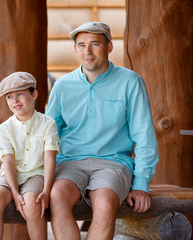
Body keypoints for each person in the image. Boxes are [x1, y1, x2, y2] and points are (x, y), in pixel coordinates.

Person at [45, 22, 159, 240]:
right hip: (70, 162)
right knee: (57, 195)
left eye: (94, 44)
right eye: (81, 45)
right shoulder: (63, 86)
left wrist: (141, 184)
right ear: (75, 49)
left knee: (105, 204)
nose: (87, 52)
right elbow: (47, 135)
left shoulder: (130, 82)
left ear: (108, 47)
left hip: (113, 163)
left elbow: (144, 136)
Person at [0, 72, 60, 240]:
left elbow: (49, 160)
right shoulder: (5, 128)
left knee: (32, 203)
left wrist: (46, 191)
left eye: (20, 94)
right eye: (9, 97)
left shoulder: (48, 124)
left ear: (34, 94)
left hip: (36, 174)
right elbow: (8, 162)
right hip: (10, 175)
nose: (15, 100)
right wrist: (15, 193)